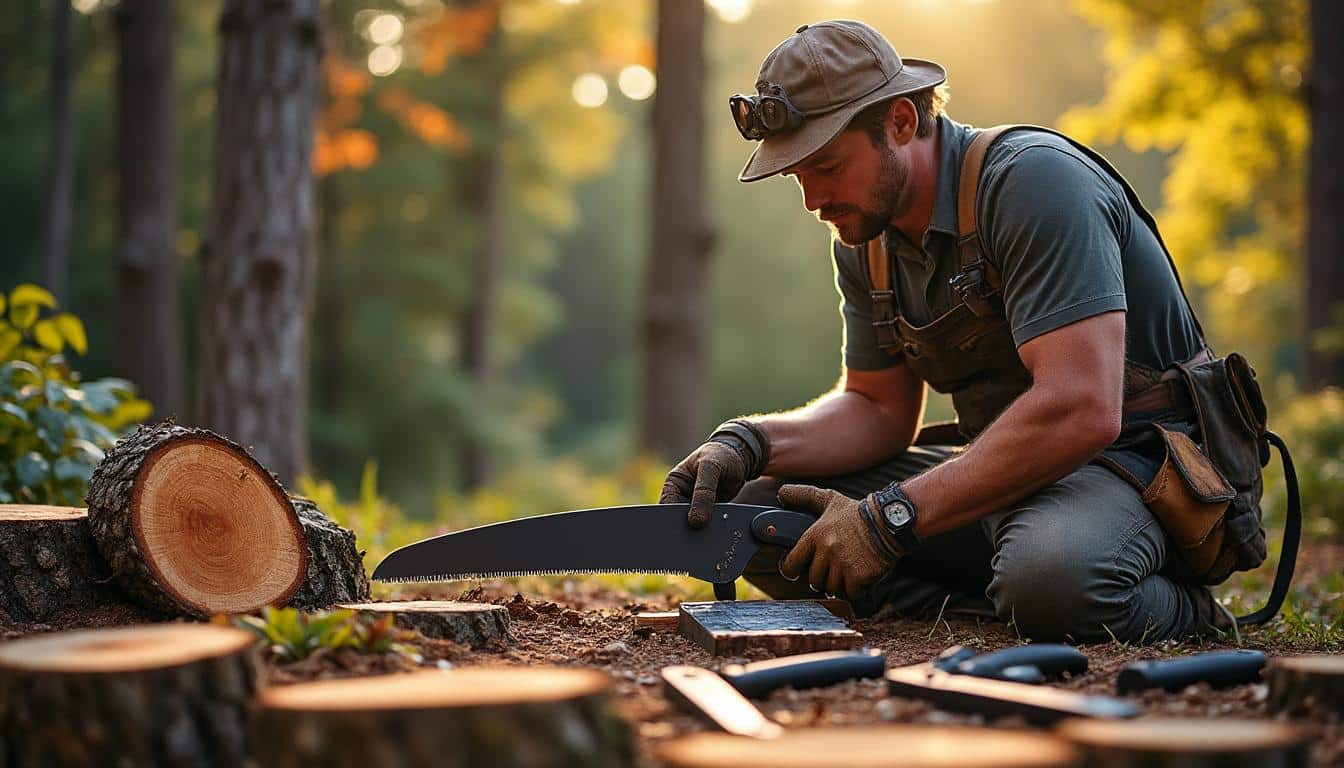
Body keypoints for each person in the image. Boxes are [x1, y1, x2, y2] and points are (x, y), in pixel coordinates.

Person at [659, 19, 1245, 643]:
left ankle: (1172, 611)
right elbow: (878, 410)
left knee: (1056, 580)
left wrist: (890, 518)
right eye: (797, 174)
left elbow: (1082, 409)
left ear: (902, 122)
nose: (813, 200)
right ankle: (1001, 594)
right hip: (1006, 472)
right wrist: (748, 441)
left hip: (1135, 469)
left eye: (826, 166)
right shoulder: (865, 234)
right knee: (757, 514)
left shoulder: (1034, 183)